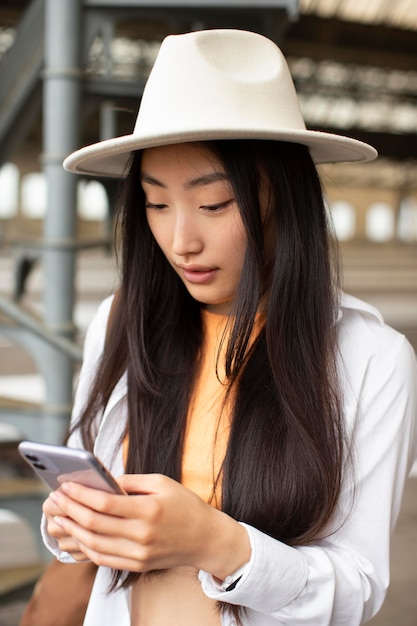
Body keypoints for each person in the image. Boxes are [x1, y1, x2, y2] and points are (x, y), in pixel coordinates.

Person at [41, 29, 417, 626]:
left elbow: (358, 590)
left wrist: (218, 544)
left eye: (214, 204)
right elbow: (90, 494)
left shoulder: (371, 357)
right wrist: (71, 523)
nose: (181, 240)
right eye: (156, 204)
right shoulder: (122, 320)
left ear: (281, 200)